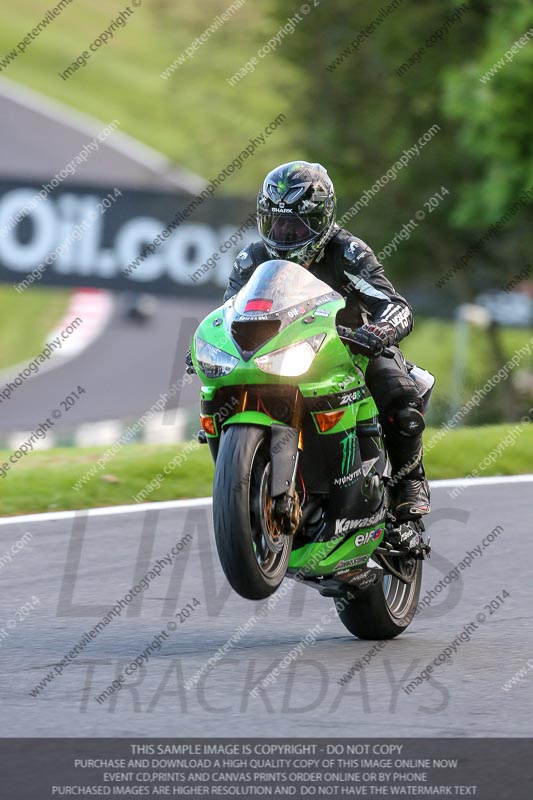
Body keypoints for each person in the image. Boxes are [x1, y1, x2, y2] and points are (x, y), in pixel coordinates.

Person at [221, 160, 430, 520]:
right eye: (277, 222)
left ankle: (411, 479)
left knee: (399, 394)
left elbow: (395, 305)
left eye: (297, 224)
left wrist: (380, 330)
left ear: (322, 220)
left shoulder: (347, 251)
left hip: (352, 349)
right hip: (279, 353)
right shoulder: (251, 259)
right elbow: (227, 313)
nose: (285, 234)